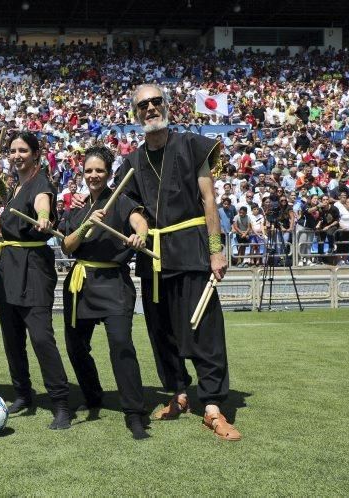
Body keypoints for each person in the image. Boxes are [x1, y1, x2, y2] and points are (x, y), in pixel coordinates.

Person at [118, 84, 241, 441]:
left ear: (167, 106)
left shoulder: (191, 145)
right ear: (135, 113)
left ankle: (214, 406)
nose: (151, 108)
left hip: (191, 251)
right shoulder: (132, 163)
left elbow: (208, 200)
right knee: (162, 333)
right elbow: (130, 209)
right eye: (143, 105)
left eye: (156, 102)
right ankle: (179, 393)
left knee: (204, 329)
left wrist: (216, 249)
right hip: (154, 259)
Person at [59, 146, 151, 439]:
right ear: (82, 173)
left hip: (114, 283)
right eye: (89, 171)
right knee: (75, 346)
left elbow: (140, 222)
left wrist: (141, 236)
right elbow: (67, 245)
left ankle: (135, 413)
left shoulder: (121, 200)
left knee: (121, 345)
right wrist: (87, 223)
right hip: (80, 282)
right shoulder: (77, 207)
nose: (94, 175)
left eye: (99, 170)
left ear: (109, 173)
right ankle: (93, 394)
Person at [0, 131, 71, 430]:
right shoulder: (16, 185)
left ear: (36, 154)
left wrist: (45, 216)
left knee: (40, 337)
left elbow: (42, 204)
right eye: (13, 150)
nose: (17, 155)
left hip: (33, 268)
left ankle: (61, 402)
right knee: (12, 339)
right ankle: (23, 393)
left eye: (23, 150)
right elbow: (15, 209)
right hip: (9, 268)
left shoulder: (41, 183)